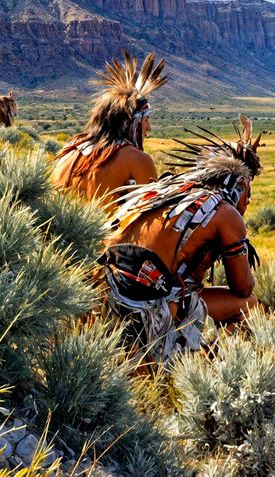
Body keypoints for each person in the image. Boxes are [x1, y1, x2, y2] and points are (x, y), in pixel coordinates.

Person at [99, 117, 261, 362]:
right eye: (248, 191)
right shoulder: (224, 213)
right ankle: (202, 365)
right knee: (251, 304)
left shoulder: (165, 192)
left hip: (109, 295)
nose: (248, 201)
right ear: (239, 186)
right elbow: (243, 288)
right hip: (151, 307)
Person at [52, 52, 165, 207]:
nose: (149, 127)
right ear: (131, 123)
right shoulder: (137, 159)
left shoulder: (71, 149)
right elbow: (153, 214)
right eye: (145, 120)